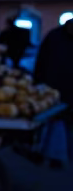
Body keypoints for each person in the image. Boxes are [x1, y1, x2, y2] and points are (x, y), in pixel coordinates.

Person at [34, 15, 72, 168]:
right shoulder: (54, 36)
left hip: (68, 89)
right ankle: (48, 154)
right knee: (51, 122)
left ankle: (60, 155)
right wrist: (38, 82)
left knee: (65, 124)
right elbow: (42, 60)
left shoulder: (54, 36)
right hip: (52, 87)